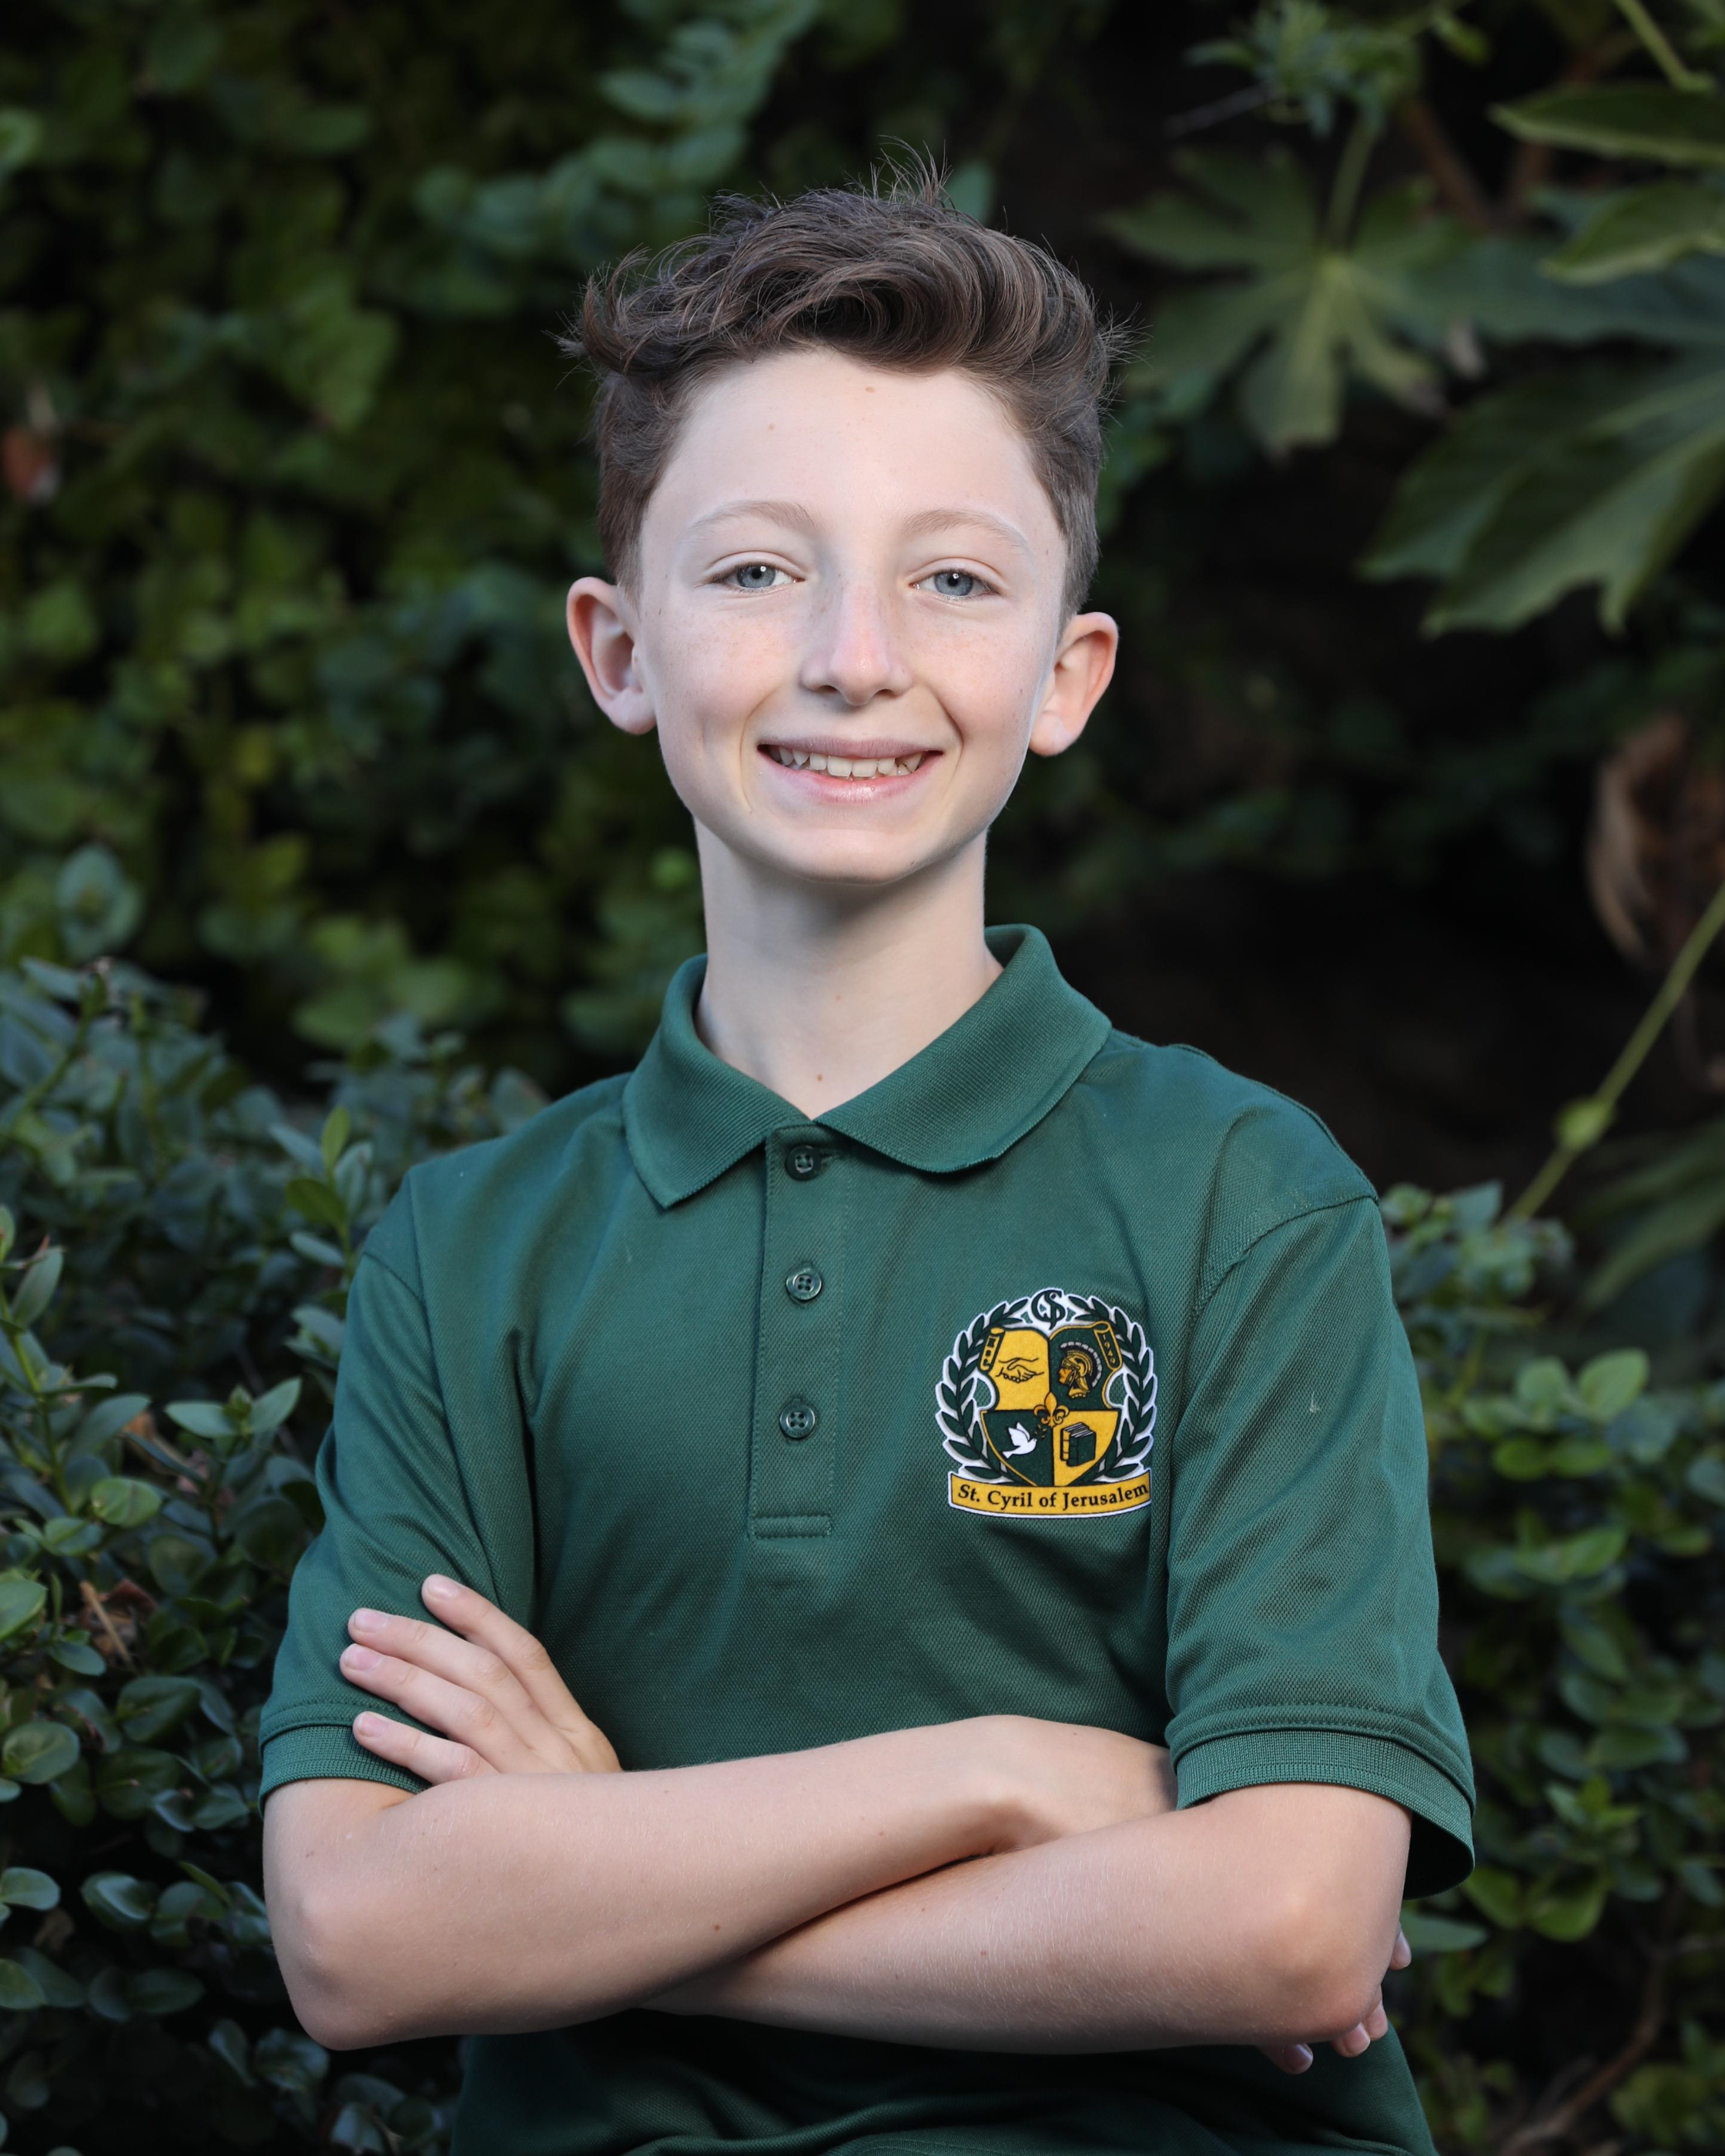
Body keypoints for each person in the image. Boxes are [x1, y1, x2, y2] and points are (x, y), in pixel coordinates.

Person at [260, 171, 1473, 2156]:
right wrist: (1006, 1775)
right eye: (755, 571)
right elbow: (359, 1934)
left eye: (955, 582)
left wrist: (598, 1880)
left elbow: (1284, 1926)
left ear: (1067, 674)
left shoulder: (1243, 1199)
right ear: (618, 648)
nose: (850, 657)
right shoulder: (470, 1252)